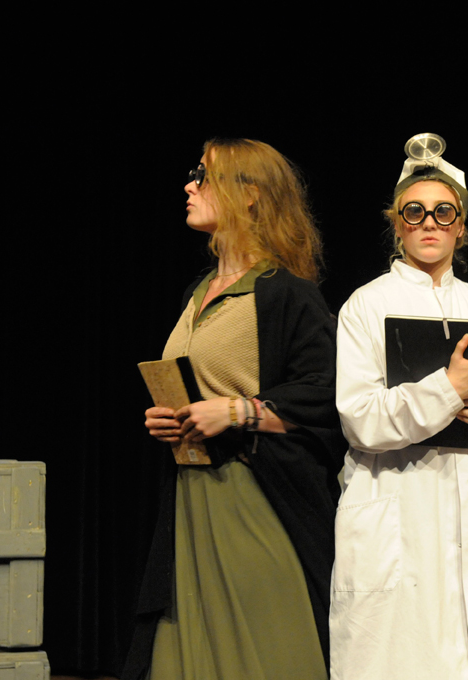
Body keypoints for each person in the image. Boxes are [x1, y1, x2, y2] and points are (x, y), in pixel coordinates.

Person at [332, 134, 468, 680]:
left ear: (460, 225)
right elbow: (360, 419)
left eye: (443, 212)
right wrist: (448, 390)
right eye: (414, 212)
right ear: (397, 223)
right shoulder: (366, 305)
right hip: (395, 512)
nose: (429, 223)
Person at [123, 138, 342, 680]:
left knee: (265, 654)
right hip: (189, 497)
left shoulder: (285, 293)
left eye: (203, 174)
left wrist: (239, 412)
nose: (189, 185)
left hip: (253, 499)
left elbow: (326, 399)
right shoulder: (196, 292)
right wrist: (172, 417)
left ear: (249, 194)